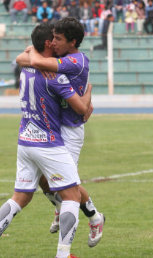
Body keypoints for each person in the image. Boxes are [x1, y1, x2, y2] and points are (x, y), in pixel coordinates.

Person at [0, 23, 92, 258]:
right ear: (49, 44)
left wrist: (31, 52)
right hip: (48, 143)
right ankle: (63, 254)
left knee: (19, 198)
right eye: (54, 39)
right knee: (71, 196)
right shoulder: (55, 77)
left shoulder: (25, 68)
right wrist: (89, 92)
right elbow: (82, 109)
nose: (56, 42)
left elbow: (26, 55)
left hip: (24, 140)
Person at [16, 17, 105, 247]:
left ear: (72, 42)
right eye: (52, 38)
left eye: (58, 39)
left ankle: (95, 217)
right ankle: (59, 207)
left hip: (71, 130)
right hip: (52, 128)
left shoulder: (74, 61)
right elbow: (20, 59)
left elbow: (30, 59)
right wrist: (36, 56)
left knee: (70, 188)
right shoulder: (60, 57)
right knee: (45, 182)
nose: (53, 43)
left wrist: (35, 56)